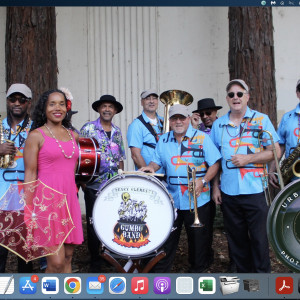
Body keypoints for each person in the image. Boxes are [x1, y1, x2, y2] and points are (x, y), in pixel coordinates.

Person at [210, 79, 280, 273]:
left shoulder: (261, 120)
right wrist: (215, 187)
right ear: (227, 99)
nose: (236, 98)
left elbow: (275, 151)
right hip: (229, 191)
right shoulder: (219, 125)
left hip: (255, 189)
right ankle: (244, 283)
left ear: (247, 97)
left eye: (240, 94)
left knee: (259, 239)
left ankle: (262, 281)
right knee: (236, 239)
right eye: (231, 94)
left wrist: (248, 158)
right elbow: (215, 160)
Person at [141, 104, 221, 272]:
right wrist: (151, 168)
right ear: (169, 121)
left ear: (188, 119)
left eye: (182, 118)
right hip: (172, 200)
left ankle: (198, 275)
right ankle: (160, 278)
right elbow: (157, 161)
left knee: (199, 244)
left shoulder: (202, 138)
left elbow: (215, 163)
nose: (178, 122)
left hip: (198, 200)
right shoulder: (163, 139)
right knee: (167, 241)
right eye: (174, 118)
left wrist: (204, 181)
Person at [24, 89, 83, 273]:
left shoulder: (74, 136)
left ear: (67, 108)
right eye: (52, 104)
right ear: (44, 108)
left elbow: (76, 170)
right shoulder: (36, 136)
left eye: (61, 104)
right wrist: (27, 210)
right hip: (46, 204)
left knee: (67, 258)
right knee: (55, 262)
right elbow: (30, 174)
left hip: (69, 201)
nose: (57, 108)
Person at [80, 94, 126, 272]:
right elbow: (80, 156)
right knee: (93, 223)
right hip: (93, 186)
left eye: (110, 107)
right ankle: (94, 259)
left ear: (115, 111)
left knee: (110, 221)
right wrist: (84, 183)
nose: (107, 109)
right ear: (99, 109)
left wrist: (120, 178)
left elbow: (120, 157)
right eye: (104, 106)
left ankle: (107, 254)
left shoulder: (117, 131)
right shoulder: (88, 128)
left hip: (112, 187)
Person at [0, 83, 33, 273]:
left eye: (22, 99)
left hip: (26, 194)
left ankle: (26, 290)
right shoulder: (0, 126)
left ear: (29, 103)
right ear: (7, 101)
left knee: (25, 251)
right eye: (13, 99)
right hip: (2, 193)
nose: (17, 103)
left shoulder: (36, 127)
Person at [190, 98, 223, 269]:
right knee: (206, 222)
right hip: (206, 183)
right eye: (201, 114)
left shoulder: (223, 127)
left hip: (224, 180)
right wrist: (194, 126)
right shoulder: (199, 130)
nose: (205, 117)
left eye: (208, 113)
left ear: (216, 112)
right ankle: (206, 255)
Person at [269, 79, 300, 187]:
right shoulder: (287, 118)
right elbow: (280, 146)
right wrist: (272, 169)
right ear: (297, 94)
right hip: (293, 175)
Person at [127, 89, 164, 173]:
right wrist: (148, 176)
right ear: (141, 102)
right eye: (147, 98)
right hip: (151, 178)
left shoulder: (165, 122)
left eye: (154, 98)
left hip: (167, 177)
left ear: (157, 101)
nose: (151, 101)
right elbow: (135, 155)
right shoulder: (136, 125)